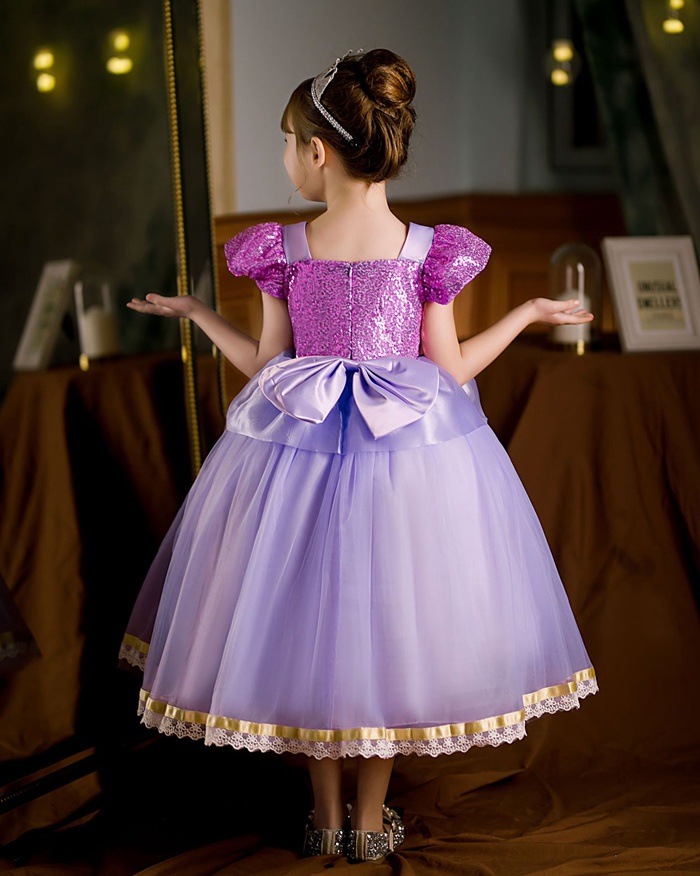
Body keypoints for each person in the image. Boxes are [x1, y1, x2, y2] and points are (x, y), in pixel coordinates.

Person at [120, 48, 599, 863]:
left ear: (318, 151)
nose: (286, 157)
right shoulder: (424, 248)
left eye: (286, 143)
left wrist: (201, 314)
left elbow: (265, 366)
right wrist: (523, 314)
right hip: (406, 464)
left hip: (295, 462)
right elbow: (450, 369)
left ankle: (326, 816)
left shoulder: (288, 247)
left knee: (309, 633)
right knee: (385, 640)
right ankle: (369, 823)